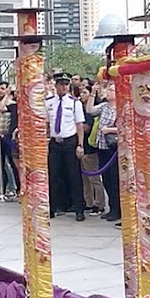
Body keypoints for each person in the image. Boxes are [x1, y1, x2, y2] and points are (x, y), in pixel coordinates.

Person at [46, 73, 86, 221]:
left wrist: (80, 145)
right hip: (55, 141)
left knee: (74, 175)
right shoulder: (49, 102)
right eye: (61, 84)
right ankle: (52, 207)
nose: (64, 87)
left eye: (66, 84)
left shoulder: (74, 102)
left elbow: (79, 125)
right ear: (56, 86)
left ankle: (79, 208)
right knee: (53, 175)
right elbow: (46, 122)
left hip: (70, 141)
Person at [86, 81, 120, 222]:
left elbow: (125, 127)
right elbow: (90, 110)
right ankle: (112, 208)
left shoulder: (121, 107)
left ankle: (118, 209)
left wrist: (109, 130)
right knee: (106, 179)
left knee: (114, 179)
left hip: (113, 148)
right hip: (102, 147)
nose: (109, 92)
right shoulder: (104, 106)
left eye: (112, 90)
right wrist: (93, 93)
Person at [78, 83, 106, 216]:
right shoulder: (79, 107)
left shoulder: (94, 110)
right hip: (80, 147)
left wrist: (76, 126)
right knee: (84, 178)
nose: (81, 95)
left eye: (84, 92)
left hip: (90, 147)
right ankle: (88, 202)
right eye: (81, 92)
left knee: (94, 177)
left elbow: (87, 127)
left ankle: (99, 203)